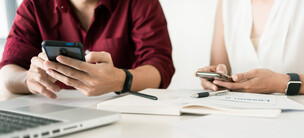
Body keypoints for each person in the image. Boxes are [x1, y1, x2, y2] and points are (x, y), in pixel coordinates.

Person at [0, 0, 175, 99]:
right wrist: (29, 80)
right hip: (52, 111)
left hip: (123, 112)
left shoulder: (140, 3)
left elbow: (160, 67)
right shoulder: (34, 5)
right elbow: (7, 72)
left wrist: (122, 79)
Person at [197, 0, 304, 95]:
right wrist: (216, 78)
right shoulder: (227, 3)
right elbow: (220, 69)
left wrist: (285, 82)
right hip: (241, 129)